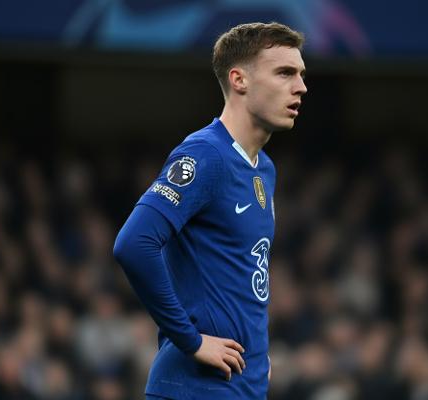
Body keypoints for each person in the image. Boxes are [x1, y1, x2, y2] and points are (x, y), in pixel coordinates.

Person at [113, 22, 307, 400]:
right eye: (285, 73)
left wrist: (258, 359)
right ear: (239, 80)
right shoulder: (206, 154)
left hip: (241, 387)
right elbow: (134, 243)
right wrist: (191, 340)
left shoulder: (264, 169)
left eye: (301, 74)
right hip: (194, 387)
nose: (301, 86)